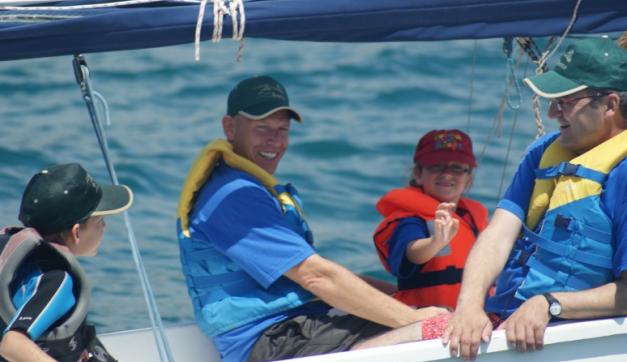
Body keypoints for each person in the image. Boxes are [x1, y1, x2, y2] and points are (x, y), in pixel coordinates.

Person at [176, 75, 447, 362]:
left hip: (294, 330)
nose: (274, 140)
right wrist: (412, 319)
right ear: (230, 127)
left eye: (282, 129)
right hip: (272, 343)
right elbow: (316, 277)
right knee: (437, 330)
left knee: (426, 317)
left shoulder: (248, 187)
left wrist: (404, 297)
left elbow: (314, 274)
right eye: (262, 128)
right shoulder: (233, 196)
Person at [436, 35, 627, 359]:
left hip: (563, 337)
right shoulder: (543, 153)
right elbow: (498, 234)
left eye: (565, 101)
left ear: (609, 105)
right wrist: (469, 305)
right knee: (385, 343)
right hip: (501, 322)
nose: (552, 113)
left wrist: (550, 304)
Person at [0, 163, 133, 362]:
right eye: (100, 221)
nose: (104, 226)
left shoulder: (10, 253)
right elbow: (12, 343)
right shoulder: (57, 280)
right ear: (77, 232)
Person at [373, 129, 488, 310]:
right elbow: (411, 252)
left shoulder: (473, 218)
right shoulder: (410, 220)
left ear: (468, 179)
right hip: (426, 320)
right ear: (418, 174)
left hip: (474, 316)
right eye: (436, 166)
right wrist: (435, 242)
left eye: (457, 168)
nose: (447, 174)